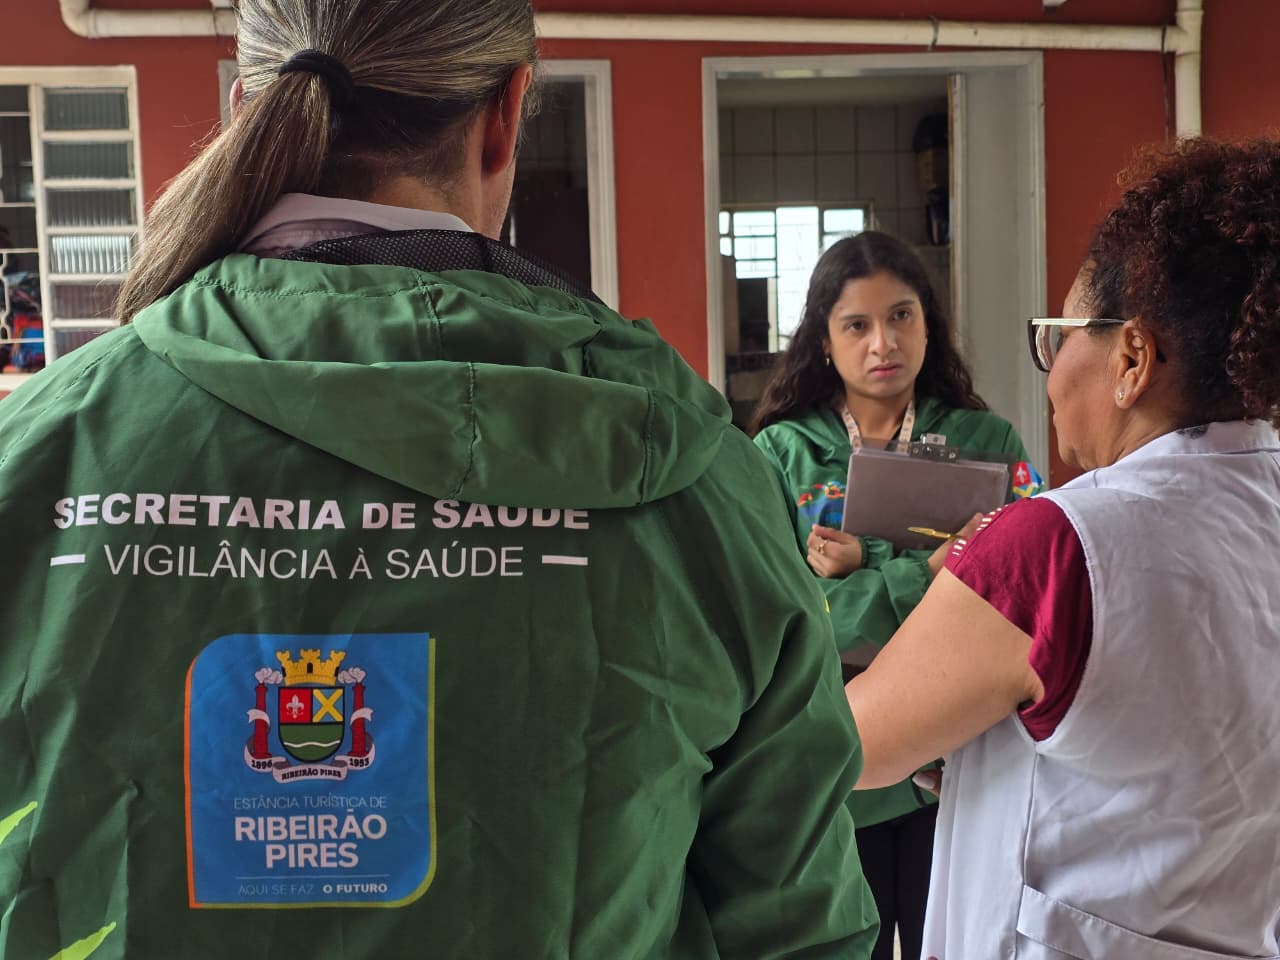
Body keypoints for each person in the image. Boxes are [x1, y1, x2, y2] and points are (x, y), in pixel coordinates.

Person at [0, 2, 879, 957]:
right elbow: (795, 924)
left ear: (246, 103)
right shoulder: (703, 482)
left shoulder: (34, 453)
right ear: (504, 117)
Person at [847, 137, 1280, 959]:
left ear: (1132, 358)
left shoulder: (1056, 545)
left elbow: (851, 743)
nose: (1050, 375)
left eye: (1058, 338)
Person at [751, 231, 1041, 960]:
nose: (883, 342)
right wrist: (926, 571)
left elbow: (1027, 595)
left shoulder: (988, 442)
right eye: (857, 324)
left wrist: (864, 569)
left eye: (901, 316)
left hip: (969, 753)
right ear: (824, 341)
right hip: (837, 762)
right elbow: (776, 620)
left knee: (967, 943)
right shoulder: (780, 456)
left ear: (928, 325)